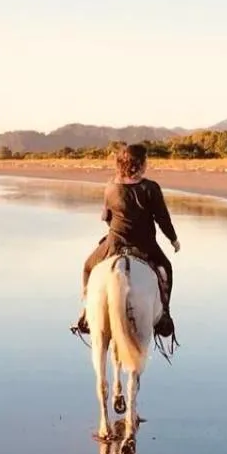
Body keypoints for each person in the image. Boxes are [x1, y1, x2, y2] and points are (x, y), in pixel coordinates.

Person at [73, 143, 179, 338]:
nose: (147, 164)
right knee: (167, 268)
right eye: (145, 160)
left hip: (115, 242)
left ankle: (87, 312)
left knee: (88, 266)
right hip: (145, 244)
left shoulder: (111, 185)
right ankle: (165, 314)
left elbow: (105, 217)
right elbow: (162, 218)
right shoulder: (151, 188)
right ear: (138, 164)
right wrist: (173, 240)